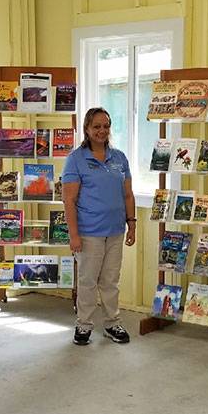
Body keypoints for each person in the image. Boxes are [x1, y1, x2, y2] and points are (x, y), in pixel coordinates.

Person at [61, 107, 137, 346]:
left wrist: (131, 224)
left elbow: (128, 195)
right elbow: (69, 200)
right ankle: (83, 326)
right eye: (96, 126)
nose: (102, 131)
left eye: (105, 126)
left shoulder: (119, 158)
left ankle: (112, 323)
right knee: (87, 281)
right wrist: (74, 235)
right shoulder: (76, 159)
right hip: (88, 233)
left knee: (111, 281)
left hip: (115, 231)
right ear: (87, 129)